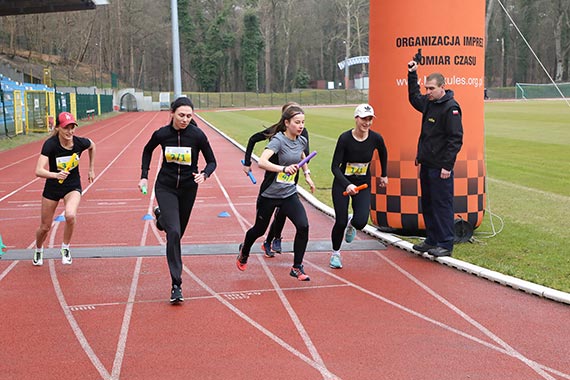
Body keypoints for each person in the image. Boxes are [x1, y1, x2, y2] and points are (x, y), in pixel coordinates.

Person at [138, 97, 217, 304]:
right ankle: (176, 284)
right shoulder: (162, 134)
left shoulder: (197, 135)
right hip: (165, 186)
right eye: (181, 115)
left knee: (177, 231)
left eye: (189, 116)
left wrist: (205, 174)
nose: (185, 119)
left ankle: (161, 218)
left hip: (188, 189)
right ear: (172, 113)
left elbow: (212, 161)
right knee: (173, 233)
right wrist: (144, 175)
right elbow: (147, 150)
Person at [236, 105, 315, 281]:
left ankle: (297, 267)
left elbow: (302, 155)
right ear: (287, 123)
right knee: (259, 230)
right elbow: (262, 162)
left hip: (288, 194)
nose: (301, 126)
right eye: (297, 122)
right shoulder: (277, 140)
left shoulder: (301, 140)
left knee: (303, 226)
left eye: (303, 122)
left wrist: (307, 175)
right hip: (270, 194)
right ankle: (244, 251)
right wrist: (283, 168)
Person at [407, 60, 463, 257]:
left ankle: (445, 243)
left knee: (442, 204)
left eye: (431, 88)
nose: (428, 91)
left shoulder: (451, 107)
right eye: (426, 88)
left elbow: (455, 139)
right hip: (427, 163)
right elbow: (414, 98)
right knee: (428, 203)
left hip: (441, 167)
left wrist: (447, 166)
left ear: (442, 87)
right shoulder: (429, 102)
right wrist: (412, 74)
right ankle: (431, 240)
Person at [33, 112, 96, 266]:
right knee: (45, 227)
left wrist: (91, 169)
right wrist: (56, 175)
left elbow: (92, 145)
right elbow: (38, 170)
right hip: (53, 187)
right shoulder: (51, 145)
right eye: (66, 128)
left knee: (70, 215)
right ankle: (38, 250)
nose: (70, 131)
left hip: (72, 185)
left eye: (72, 127)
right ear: (58, 128)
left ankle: (65, 247)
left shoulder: (79, 143)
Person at [329, 104, 388, 269]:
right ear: (356, 118)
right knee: (339, 221)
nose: (367, 123)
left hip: (363, 184)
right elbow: (334, 167)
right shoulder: (345, 138)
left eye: (370, 119)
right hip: (342, 183)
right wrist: (347, 185)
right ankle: (335, 254)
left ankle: (352, 223)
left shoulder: (376, 138)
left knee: (361, 221)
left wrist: (384, 175)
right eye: (364, 119)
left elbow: (383, 153)